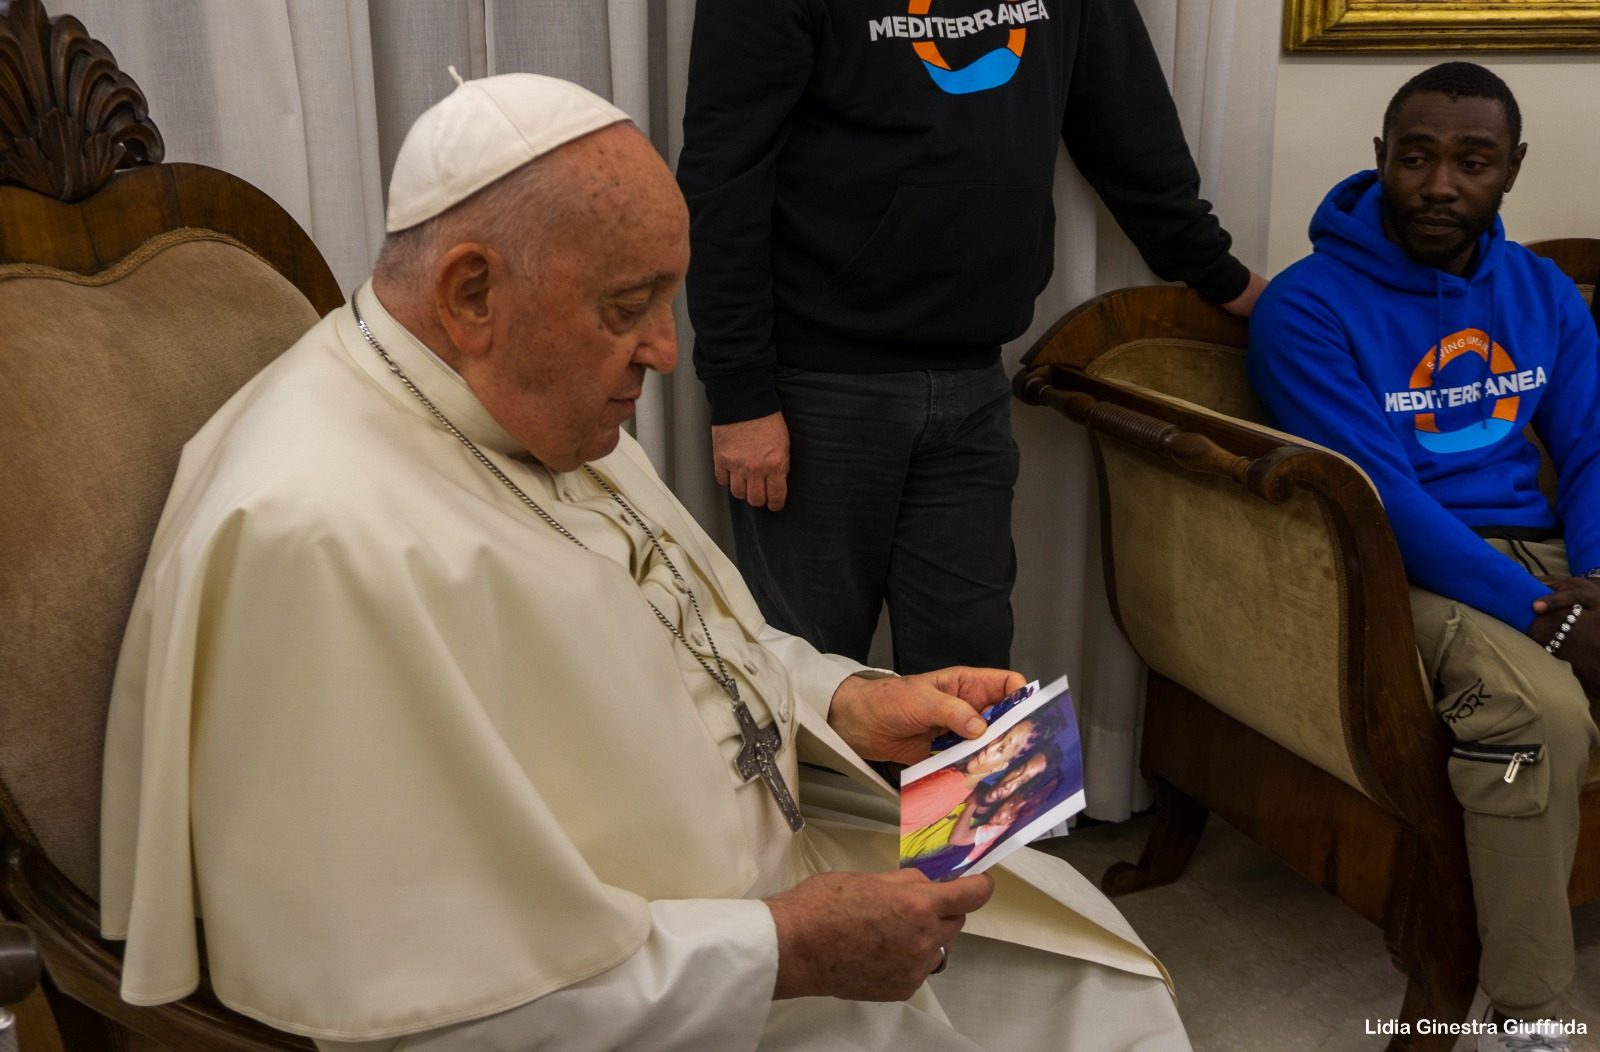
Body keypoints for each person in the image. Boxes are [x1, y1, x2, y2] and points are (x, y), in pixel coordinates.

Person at [99, 73, 1193, 1050]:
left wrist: (844, 699)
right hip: (659, 993)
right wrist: (782, 951)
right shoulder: (314, 538)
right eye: (629, 309)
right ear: (471, 294)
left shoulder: (518, 398)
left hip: (767, 877)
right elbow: (428, 1002)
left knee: (1089, 953)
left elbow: (683, 644)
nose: (668, 351)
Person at [676, 0, 1268, 675]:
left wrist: (1227, 281)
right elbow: (724, 181)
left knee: (977, 683)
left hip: (974, 383)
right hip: (818, 390)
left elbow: (1131, 135)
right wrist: (741, 394)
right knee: (811, 681)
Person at [1248, 61, 1600, 1052]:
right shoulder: (1307, 307)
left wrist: (1595, 584)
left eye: (1472, 162)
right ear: (1380, 159)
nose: (1440, 185)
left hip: (1549, 549)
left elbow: (1590, 445)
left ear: (1512, 169)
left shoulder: (1540, 290)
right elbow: (1384, 498)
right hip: (1408, 562)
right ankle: (1525, 1013)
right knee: (1536, 713)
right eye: (1416, 158)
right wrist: (1548, 620)